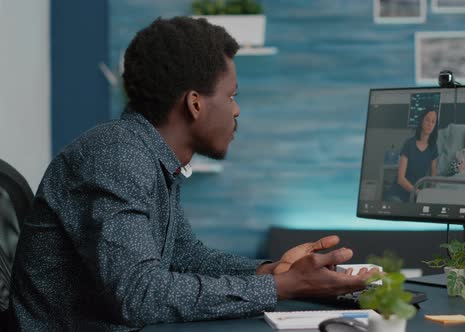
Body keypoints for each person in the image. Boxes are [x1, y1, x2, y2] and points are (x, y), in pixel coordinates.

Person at [8, 17, 378, 331]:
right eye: (232, 95)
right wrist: (282, 287)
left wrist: (273, 270)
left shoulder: (149, 156)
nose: (236, 111)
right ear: (195, 103)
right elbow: (139, 296)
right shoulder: (117, 157)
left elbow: (187, 256)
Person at [393, 110, 439, 202]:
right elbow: (400, 179)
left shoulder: (433, 148)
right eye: (427, 120)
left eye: (433, 121)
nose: (430, 124)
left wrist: (430, 194)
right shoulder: (409, 144)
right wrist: (418, 192)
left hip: (417, 194)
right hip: (400, 192)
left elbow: (433, 177)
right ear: (421, 121)